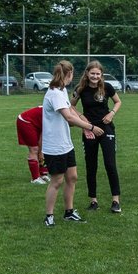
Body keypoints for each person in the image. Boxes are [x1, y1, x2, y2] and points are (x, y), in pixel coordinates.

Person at [42, 60, 105, 227]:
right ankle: (49, 216)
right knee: (57, 181)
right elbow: (68, 117)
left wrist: (83, 120)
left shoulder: (62, 90)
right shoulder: (55, 93)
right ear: (68, 74)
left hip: (65, 143)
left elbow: (71, 109)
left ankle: (69, 212)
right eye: (72, 74)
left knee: (72, 177)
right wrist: (90, 127)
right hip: (54, 145)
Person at [72, 60, 123, 213]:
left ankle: (116, 201)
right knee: (91, 165)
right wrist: (82, 119)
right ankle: (93, 201)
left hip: (106, 128)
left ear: (101, 75)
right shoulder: (80, 88)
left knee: (110, 164)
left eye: (97, 74)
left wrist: (111, 114)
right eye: (92, 73)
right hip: (89, 130)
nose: (95, 76)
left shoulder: (107, 87)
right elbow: (71, 105)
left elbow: (118, 102)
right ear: (87, 73)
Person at [16, 105, 48, 183]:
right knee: (34, 149)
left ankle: (43, 173)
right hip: (26, 121)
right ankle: (35, 178)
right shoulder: (56, 111)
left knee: (42, 147)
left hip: (37, 123)